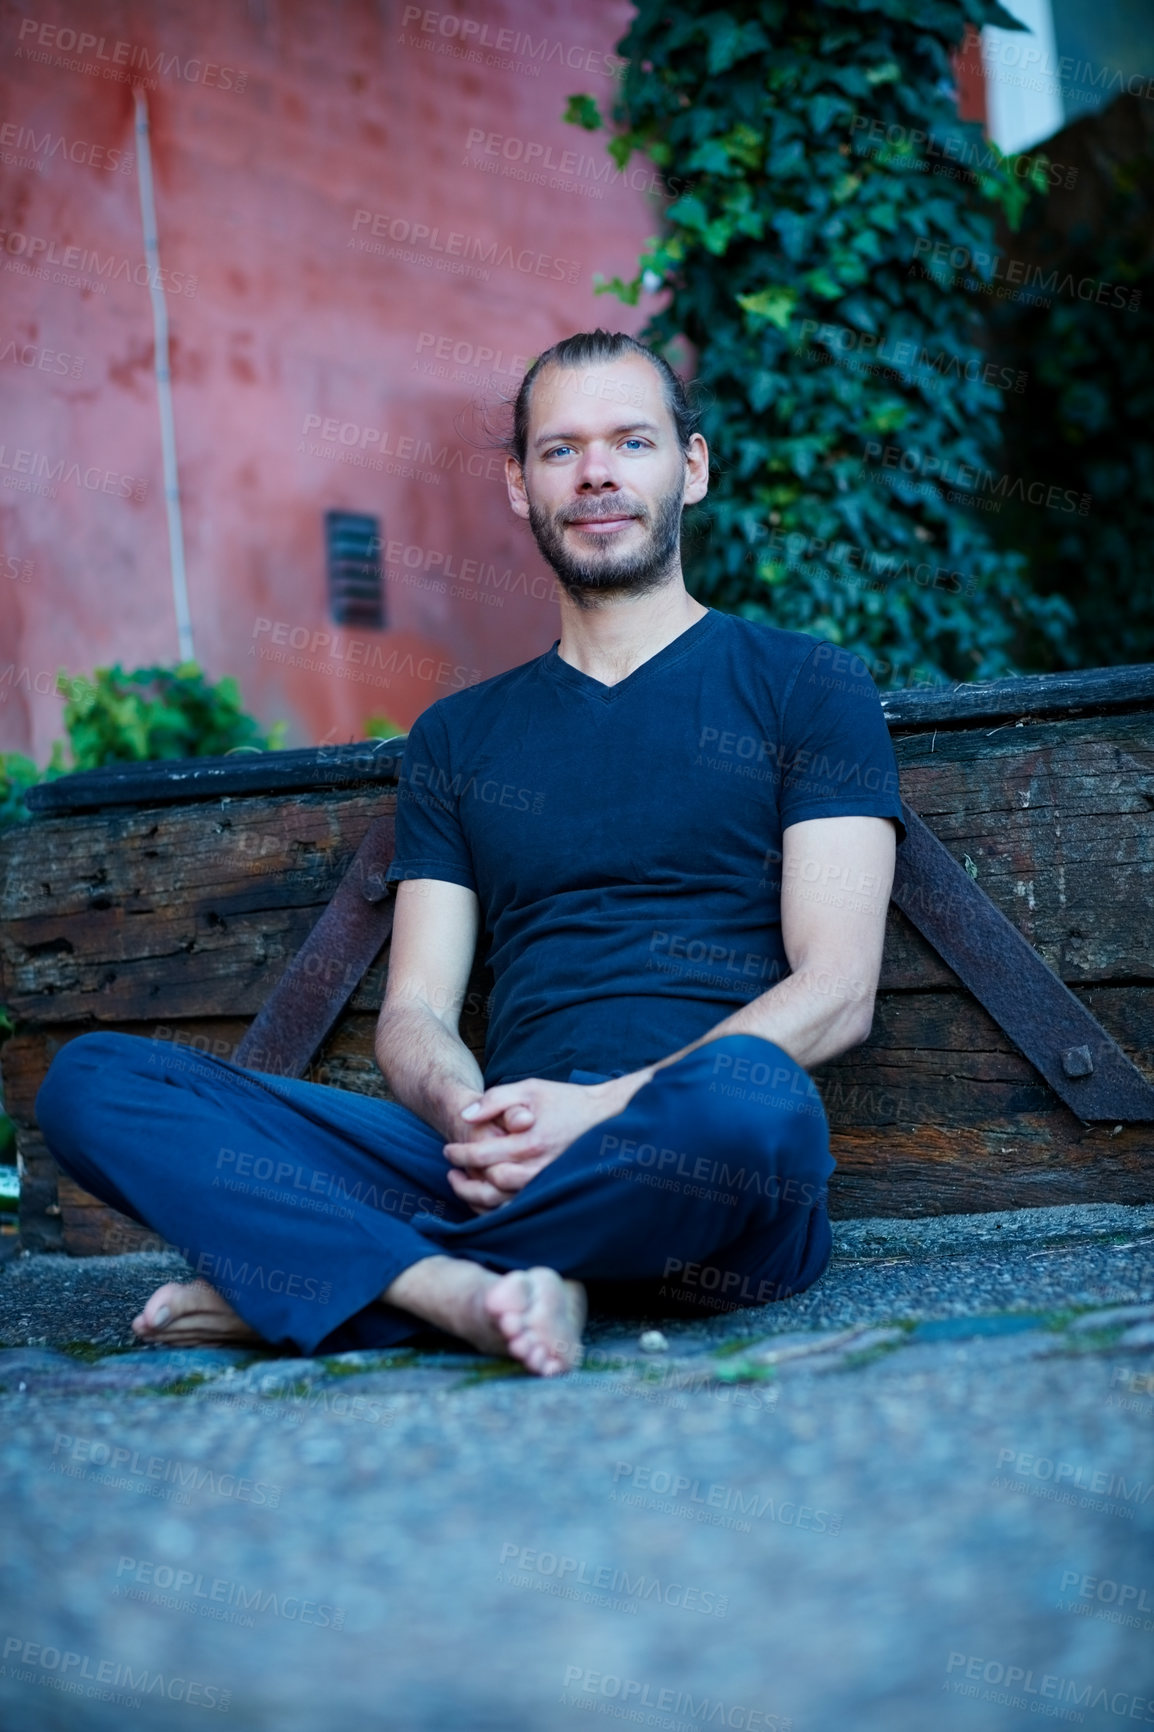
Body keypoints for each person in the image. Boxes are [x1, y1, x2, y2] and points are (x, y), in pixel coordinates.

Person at [35, 330, 904, 1377]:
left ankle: (343, 1285)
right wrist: (471, 1116)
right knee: (91, 1083)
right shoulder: (459, 739)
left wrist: (595, 1110)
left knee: (755, 1099)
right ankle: (456, 1288)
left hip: (696, 1153)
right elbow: (413, 1014)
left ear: (693, 466)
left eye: (631, 441)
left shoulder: (806, 686)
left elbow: (836, 991)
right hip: (496, 1158)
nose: (595, 474)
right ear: (516, 482)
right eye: (558, 450)